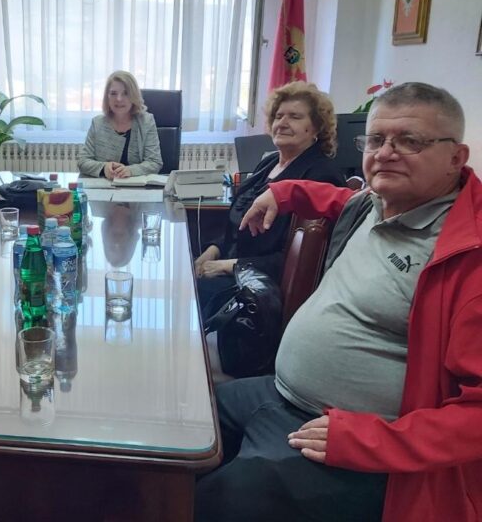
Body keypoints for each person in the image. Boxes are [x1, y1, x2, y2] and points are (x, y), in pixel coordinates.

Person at [195, 82, 482, 522]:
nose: (386, 153)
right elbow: (339, 197)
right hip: (279, 393)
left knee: (210, 502)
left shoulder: (467, 254)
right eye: (376, 139)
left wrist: (369, 441)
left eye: (410, 140)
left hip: (356, 441)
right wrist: (284, 191)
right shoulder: (375, 205)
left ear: (456, 158)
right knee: (180, 428)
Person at [194, 81, 345, 317]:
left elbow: (303, 262)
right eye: (278, 116)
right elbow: (238, 224)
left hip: (261, 287)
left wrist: (229, 266)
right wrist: (213, 250)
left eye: (294, 117)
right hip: (233, 267)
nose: (282, 123)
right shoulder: (269, 162)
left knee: (186, 293)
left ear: (316, 127)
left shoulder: (321, 176)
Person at [78, 70, 163, 179]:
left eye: (125, 93)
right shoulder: (97, 123)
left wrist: (130, 170)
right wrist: (103, 167)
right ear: (107, 97)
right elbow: (83, 161)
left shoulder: (146, 122)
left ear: (134, 96)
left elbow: (155, 162)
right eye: (113, 93)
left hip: (136, 187)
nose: (119, 99)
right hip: (103, 187)